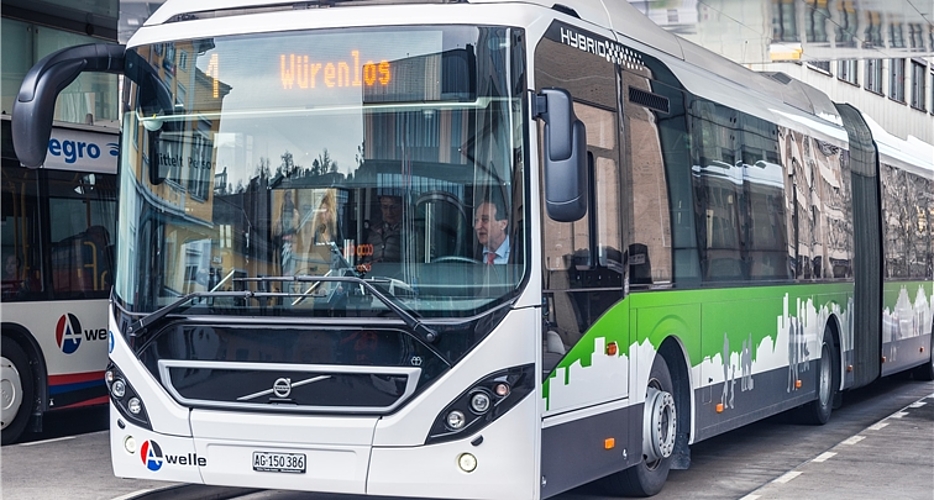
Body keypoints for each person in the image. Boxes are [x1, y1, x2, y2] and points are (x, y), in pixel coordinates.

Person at [364, 195, 403, 263]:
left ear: (402, 208)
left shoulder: (410, 233)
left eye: (393, 207)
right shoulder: (373, 232)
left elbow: (412, 265)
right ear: (381, 209)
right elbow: (366, 260)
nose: (389, 212)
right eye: (385, 207)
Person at [474, 196, 509, 265]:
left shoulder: (523, 253)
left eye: (485, 220)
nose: (477, 226)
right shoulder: (470, 252)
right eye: (476, 220)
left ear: (503, 224)